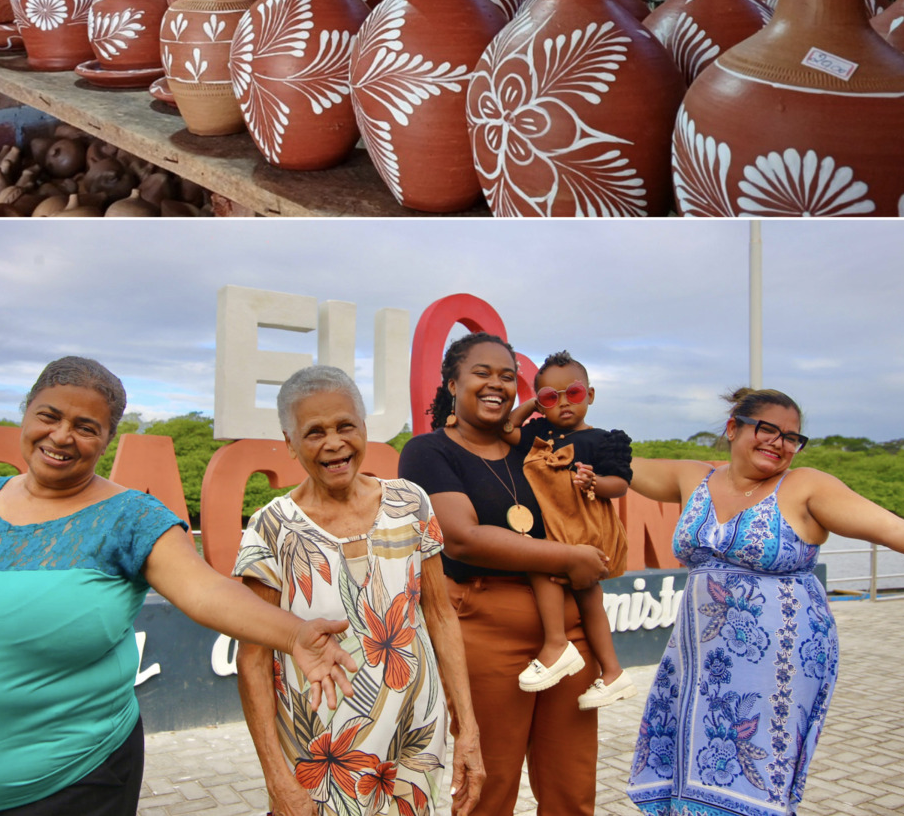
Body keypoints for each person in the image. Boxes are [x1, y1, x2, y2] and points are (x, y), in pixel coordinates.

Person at [0, 356, 357, 816]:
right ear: (25, 415)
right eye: (49, 416)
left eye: (87, 427)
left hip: (75, 785)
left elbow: (206, 592)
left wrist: (294, 634)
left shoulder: (131, 519)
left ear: (106, 439)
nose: (62, 436)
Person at [626, 386, 904, 816]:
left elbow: (898, 531)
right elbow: (611, 456)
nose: (778, 443)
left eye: (791, 437)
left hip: (776, 656)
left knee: (751, 772)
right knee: (691, 754)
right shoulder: (694, 477)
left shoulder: (805, 486)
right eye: (767, 429)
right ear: (733, 428)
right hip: (700, 657)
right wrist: (555, 416)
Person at [234, 365, 484, 816]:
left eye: (345, 425)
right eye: (314, 432)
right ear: (290, 443)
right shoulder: (270, 528)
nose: (334, 443)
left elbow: (440, 616)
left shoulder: (411, 502)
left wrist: (468, 730)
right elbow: (252, 660)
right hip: (320, 750)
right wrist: (276, 778)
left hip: (414, 736)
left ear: (364, 428)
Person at [398, 332, 610, 816]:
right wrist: (567, 557)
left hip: (569, 633)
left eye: (508, 377)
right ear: (453, 383)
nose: (497, 384)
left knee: (572, 790)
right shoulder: (428, 451)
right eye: (482, 373)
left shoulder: (533, 448)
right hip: (486, 629)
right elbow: (462, 537)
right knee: (488, 790)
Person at [498, 350, 636, 708]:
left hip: (584, 527)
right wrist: (532, 405)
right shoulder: (538, 433)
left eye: (572, 394)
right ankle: (613, 673)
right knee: (587, 597)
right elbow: (505, 429)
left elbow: (620, 485)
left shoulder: (604, 439)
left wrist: (595, 482)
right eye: (550, 397)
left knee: (549, 572)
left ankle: (557, 645)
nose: (563, 404)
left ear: (590, 395)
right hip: (554, 523)